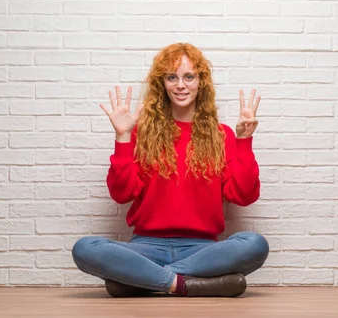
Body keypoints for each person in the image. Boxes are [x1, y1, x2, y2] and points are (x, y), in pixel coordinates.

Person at [71, 43, 269, 298]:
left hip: (202, 249)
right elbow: (121, 194)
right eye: (172, 77)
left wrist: (243, 141)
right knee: (86, 248)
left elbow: (243, 196)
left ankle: (143, 279)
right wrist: (123, 137)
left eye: (189, 76)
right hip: (146, 246)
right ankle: (184, 284)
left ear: (201, 82)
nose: (180, 85)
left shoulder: (222, 135)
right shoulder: (142, 133)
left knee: (254, 244)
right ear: (162, 84)